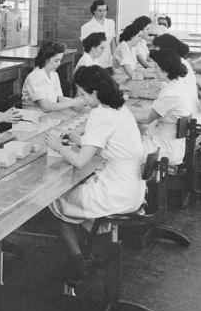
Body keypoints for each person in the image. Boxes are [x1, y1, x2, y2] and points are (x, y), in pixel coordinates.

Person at [44, 66, 146, 278]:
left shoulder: (100, 113)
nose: (82, 98)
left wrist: (58, 146)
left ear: (96, 93)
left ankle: (77, 262)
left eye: (83, 93)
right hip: (133, 189)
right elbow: (107, 143)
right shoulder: (119, 108)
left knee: (54, 201)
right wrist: (78, 139)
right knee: (75, 197)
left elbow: (80, 162)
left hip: (116, 193)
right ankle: (85, 251)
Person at [133, 48, 195, 166]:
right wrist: (127, 110)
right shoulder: (180, 84)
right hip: (172, 144)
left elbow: (147, 118)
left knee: (121, 150)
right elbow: (152, 112)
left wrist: (122, 115)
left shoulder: (171, 93)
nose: (154, 70)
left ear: (165, 70)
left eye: (156, 66)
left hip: (163, 150)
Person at [21, 42, 85, 113]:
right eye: (56, 60)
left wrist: (80, 101)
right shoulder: (34, 77)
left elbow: (59, 98)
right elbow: (46, 107)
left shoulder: (54, 75)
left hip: (49, 115)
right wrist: (73, 102)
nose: (59, 64)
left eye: (60, 60)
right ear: (46, 59)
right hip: (34, 118)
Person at [153, 33, 201, 118]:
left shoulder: (176, 64)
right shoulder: (181, 62)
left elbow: (170, 89)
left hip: (186, 115)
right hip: (189, 111)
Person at [79, 0, 115, 70]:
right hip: (95, 64)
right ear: (94, 11)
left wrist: (115, 58)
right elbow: (85, 49)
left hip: (109, 62)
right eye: (100, 11)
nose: (103, 13)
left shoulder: (111, 23)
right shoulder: (86, 27)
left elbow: (112, 42)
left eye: (105, 10)